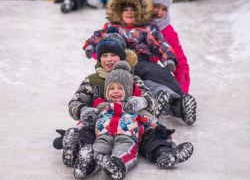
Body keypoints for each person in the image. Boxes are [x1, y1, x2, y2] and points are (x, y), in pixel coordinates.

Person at [53, 33, 193, 179]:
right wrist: (83, 110)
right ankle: (78, 152)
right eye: (104, 55)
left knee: (150, 136)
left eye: (113, 55)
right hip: (101, 122)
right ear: (99, 58)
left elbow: (150, 100)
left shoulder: (133, 79)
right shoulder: (92, 80)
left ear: (122, 57)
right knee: (86, 132)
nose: (109, 59)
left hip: (131, 124)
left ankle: (164, 154)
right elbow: (75, 102)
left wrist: (142, 102)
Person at [83, 0, 197, 125]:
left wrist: (182, 91)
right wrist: (112, 57)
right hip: (121, 69)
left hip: (147, 67)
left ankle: (179, 103)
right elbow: (101, 46)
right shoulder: (119, 23)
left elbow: (179, 60)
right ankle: (161, 102)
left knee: (156, 80)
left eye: (164, 9)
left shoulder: (164, 30)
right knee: (136, 86)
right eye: (156, 5)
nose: (159, 12)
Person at [73, 61, 194, 180]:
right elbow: (90, 119)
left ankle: (118, 165)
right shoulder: (102, 106)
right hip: (103, 135)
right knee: (97, 149)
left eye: (120, 88)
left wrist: (158, 126)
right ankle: (86, 166)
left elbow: (147, 118)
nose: (115, 91)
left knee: (126, 150)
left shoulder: (133, 107)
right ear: (106, 92)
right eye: (112, 88)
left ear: (128, 90)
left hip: (127, 136)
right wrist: (86, 117)